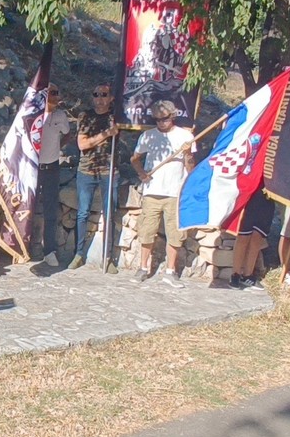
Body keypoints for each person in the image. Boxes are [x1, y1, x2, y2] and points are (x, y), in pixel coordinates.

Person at [130, 101, 194, 288]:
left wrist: (188, 154)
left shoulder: (185, 136)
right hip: (152, 192)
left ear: (172, 116)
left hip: (175, 192)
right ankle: (143, 268)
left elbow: (191, 167)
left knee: (175, 233)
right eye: (156, 119)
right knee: (147, 230)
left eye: (164, 119)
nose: (160, 123)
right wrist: (141, 173)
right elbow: (134, 158)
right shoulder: (148, 136)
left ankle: (170, 271)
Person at [70, 84, 120, 272]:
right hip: (87, 171)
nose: (99, 98)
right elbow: (82, 144)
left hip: (109, 171)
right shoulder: (85, 117)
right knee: (82, 213)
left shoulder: (116, 117)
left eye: (104, 95)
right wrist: (107, 133)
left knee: (109, 215)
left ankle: (108, 257)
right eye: (96, 94)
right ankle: (79, 253)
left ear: (111, 98)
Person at [35, 83, 71, 267]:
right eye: (51, 93)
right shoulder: (33, 115)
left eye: (57, 92)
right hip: (33, 167)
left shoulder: (61, 116)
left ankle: (49, 251)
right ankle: (21, 248)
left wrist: (57, 149)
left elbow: (67, 134)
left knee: (50, 211)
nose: (55, 96)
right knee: (26, 207)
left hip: (51, 168)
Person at [229, 189, 274, 290]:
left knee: (257, 237)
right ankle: (235, 274)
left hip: (267, 199)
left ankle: (247, 275)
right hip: (248, 196)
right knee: (243, 237)